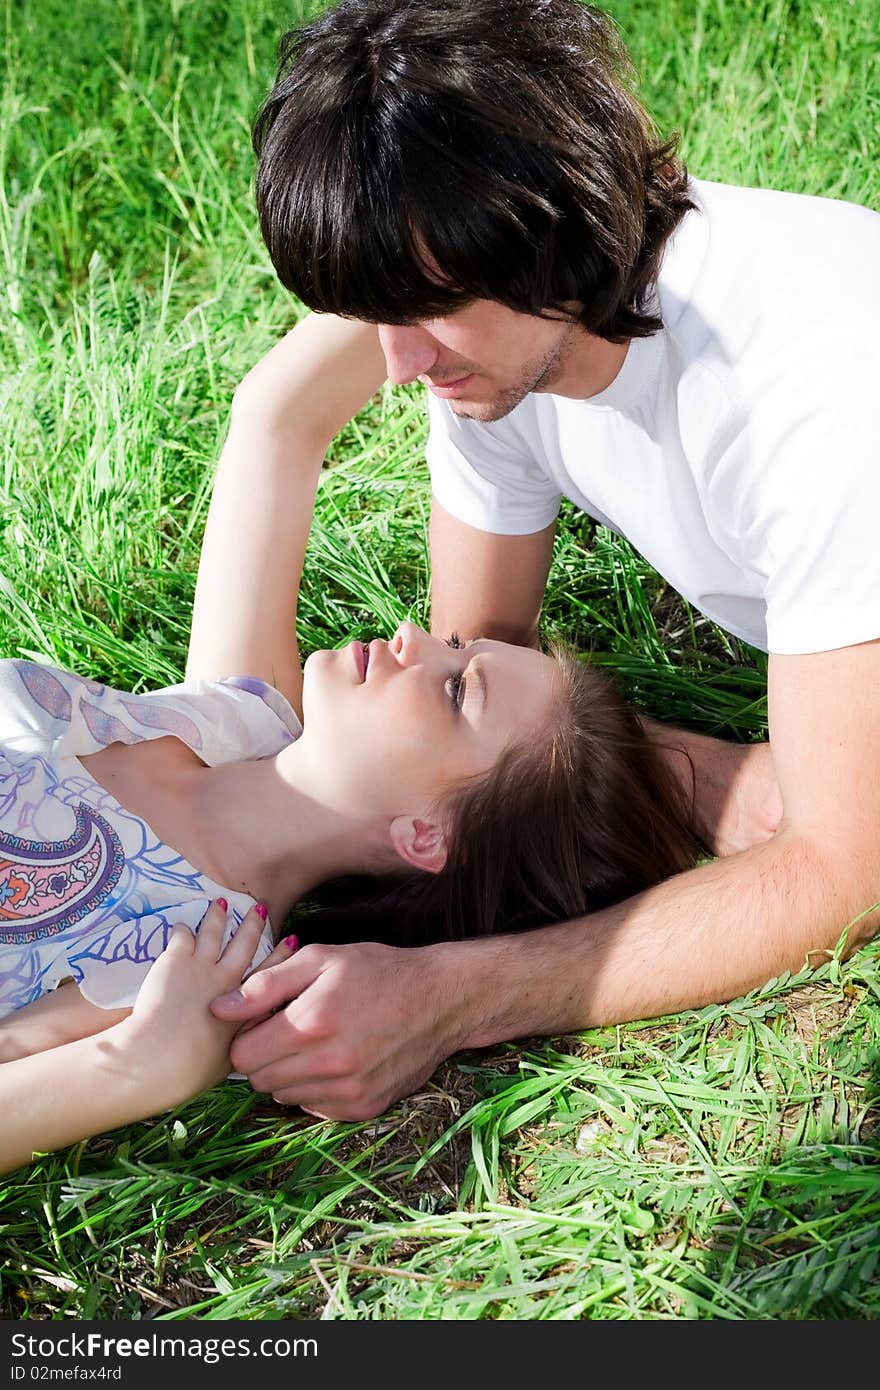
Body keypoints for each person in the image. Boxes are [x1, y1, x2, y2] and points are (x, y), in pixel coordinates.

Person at [208, 0, 880, 1120]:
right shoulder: (498, 347)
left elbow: (845, 871)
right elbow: (479, 675)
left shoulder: (812, 393)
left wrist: (449, 995)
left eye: (427, 310)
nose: (399, 362)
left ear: (550, 229)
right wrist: (685, 769)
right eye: (371, 314)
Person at [0, 313, 696, 1173]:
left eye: (453, 688)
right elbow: (279, 418)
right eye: (454, 647)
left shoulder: (194, 957)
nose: (411, 633)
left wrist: (136, 1071)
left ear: (426, 834)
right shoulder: (235, 718)